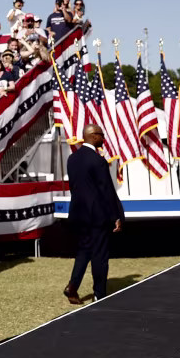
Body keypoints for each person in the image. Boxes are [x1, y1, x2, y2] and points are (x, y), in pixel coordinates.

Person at [64, 124, 125, 304]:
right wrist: (116, 216)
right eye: (102, 135)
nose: (103, 138)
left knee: (84, 250)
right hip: (97, 216)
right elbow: (106, 191)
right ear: (94, 136)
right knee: (100, 256)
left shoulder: (72, 159)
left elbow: (74, 186)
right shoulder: (98, 161)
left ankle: (72, 286)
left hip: (78, 214)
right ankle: (99, 294)